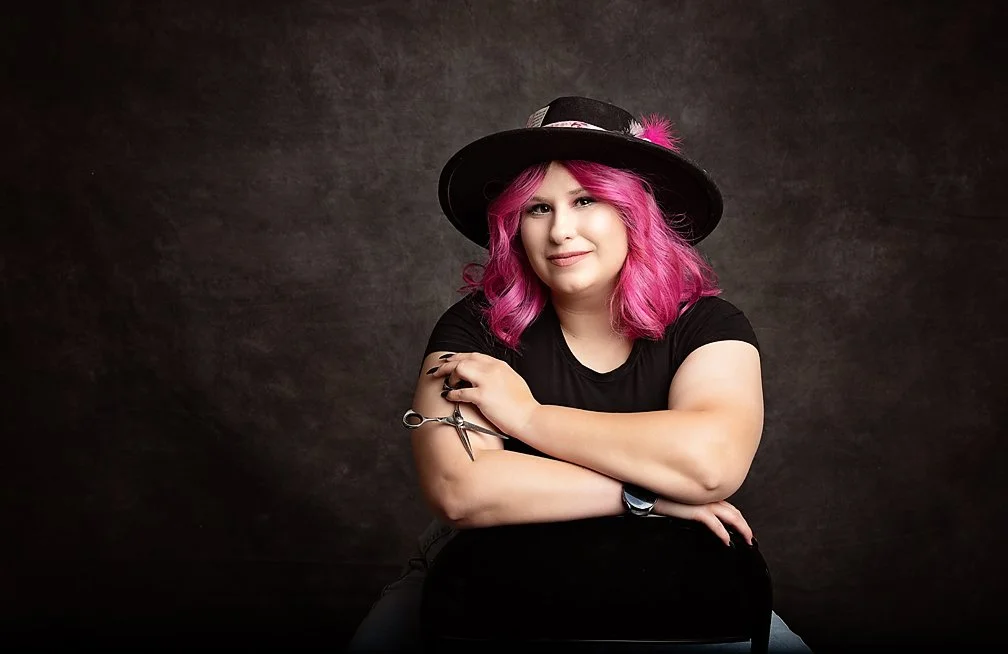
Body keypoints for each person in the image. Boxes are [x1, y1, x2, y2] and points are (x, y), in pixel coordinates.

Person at [348, 96, 812, 652]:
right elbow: (461, 490)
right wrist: (647, 496)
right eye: (537, 209)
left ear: (635, 213)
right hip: (482, 575)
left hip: (672, 576)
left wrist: (526, 416)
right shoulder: (473, 327)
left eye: (586, 200)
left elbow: (710, 466)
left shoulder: (711, 324)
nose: (560, 231)